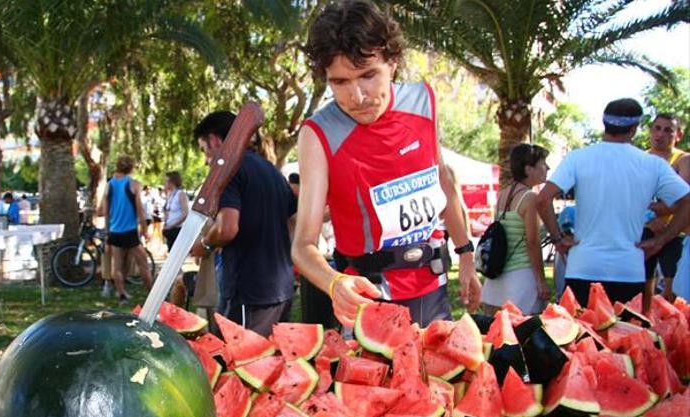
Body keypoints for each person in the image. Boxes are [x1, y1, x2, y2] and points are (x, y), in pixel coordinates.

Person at [292, 0, 481, 328]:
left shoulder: (424, 100)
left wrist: (465, 254)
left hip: (432, 289)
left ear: (392, 62)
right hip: (368, 298)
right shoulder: (318, 134)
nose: (358, 96)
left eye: (368, 75)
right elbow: (303, 245)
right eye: (339, 82)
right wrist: (334, 284)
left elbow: (442, 178)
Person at [537, 98, 690, 307]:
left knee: (582, 336)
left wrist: (558, 238)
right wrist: (661, 240)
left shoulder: (578, 158)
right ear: (635, 128)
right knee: (625, 337)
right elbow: (687, 202)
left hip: (583, 266)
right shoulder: (653, 164)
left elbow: (543, 199)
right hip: (629, 268)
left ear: (604, 123)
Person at [190, 111, 297, 337]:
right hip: (282, 288)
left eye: (204, 149)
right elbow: (293, 222)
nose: (205, 159)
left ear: (215, 140)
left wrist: (205, 245)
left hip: (248, 289)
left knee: (236, 364)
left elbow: (227, 228)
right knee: (268, 364)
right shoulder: (272, 171)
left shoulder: (228, 169)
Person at [480, 144, 551, 314]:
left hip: (496, 280)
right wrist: (541, 281)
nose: (547, 167)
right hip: (521, 282)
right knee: (524, 336)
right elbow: (532, 242)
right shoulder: (530, 198)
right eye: (543, 163)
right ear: (528, 169)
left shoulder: (503, 194)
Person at [642, 114, 690, 308]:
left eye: (668, 130)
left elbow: (682, 201)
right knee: (642, 294)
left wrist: (646, 209)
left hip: (674, 234)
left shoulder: (684, 160)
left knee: (673, 298)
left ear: (678, 135)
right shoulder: (640, 159)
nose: (660, 134)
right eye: (657, 128)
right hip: (644, 231)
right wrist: (650, 217)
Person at [100, 156, 152, 302]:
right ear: (131, 167)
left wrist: (107, 230)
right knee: (143, 263)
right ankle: (151, 294)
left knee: (116, 265)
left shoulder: (109, 185)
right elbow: (140, 210)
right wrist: (145, 229)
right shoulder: (133, 184)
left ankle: (121, 294)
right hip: (129, 230)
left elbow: (106, 211)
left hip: (115, 231)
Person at [162, 171, 189, 252]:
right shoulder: (169, 195)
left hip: (177, 229)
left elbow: (185, 213)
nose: (165, 184)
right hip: (170, 229)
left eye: (166, 181)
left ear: (172, 182)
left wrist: (173, 225)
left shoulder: (181, 194)